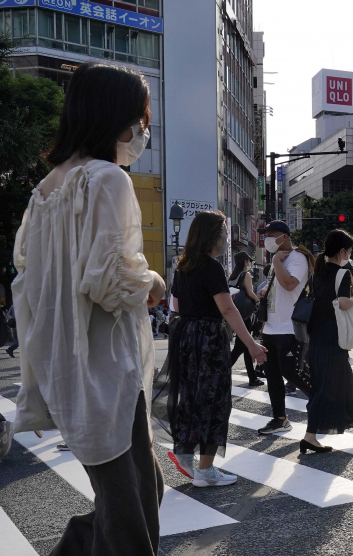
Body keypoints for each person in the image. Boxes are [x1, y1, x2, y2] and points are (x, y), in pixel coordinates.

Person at [12, 62, 169, 555]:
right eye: (139, 117)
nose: (142, 129)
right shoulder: (108, 179)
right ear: (114, 116)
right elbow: (109, 282)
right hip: (106, 363)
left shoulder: (46, 189)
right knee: (131, 514)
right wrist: (154, 282)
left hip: (63, 358)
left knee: (133, 495)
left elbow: (26, 274)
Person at [167, 211, 267, 487]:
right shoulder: (211, 267)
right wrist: (252, 344)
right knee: (214, 397)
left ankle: (185, 454)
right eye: (223, 231)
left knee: (189, 395)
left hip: (185, 335)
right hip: (209, 336)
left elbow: (176, 306)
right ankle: (206, 470)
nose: (226, 237)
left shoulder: (182, 266)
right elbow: (226, 308)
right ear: (213, 235)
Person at [303, 230, 353, 452]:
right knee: (325, 387)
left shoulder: (316, 273)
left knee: (345, 380)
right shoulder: (342, 274)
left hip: (316, 335)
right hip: (333, 337)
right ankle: (309, 435)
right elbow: (344, 303)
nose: (350, 255)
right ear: (343, 251)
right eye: (350, 251)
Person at [254, 220, 315, 435]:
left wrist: (276, 263)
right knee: (272, 376)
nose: (267, 239)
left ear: (285, 237)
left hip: (289, 327)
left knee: (293, 372)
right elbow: (278, 290)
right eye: (266, 235)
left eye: (272, 235)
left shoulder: (297, 258)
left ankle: (323, 403)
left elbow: (290, 284)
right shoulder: (278, 260)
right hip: (272, 328)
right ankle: (280, 418)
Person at [228, 252, 263, 387]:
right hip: (246, 313)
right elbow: (249, 292)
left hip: (236, 313)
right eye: (248, 261)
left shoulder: (232, 277)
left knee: (245, 345)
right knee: (240, 347)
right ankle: (223, 371)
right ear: (245, 262)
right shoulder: (245, 275)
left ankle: (252, 377)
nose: (249, 263)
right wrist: (258, 300)